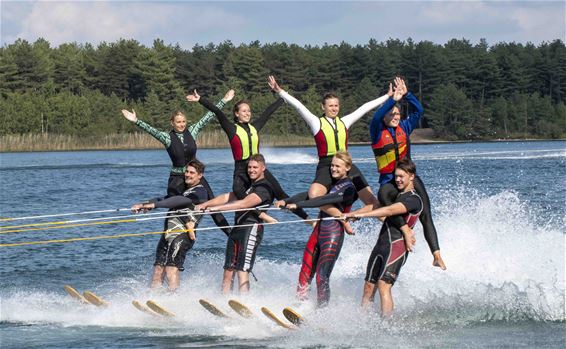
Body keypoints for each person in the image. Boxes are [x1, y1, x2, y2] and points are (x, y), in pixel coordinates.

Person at [122, 90, 234, 235]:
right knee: (174, 204)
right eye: (178, 122)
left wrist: (224, 100)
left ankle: (230, 234)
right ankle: (179, 224)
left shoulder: (193, 131)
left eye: (183, 122)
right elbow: (151, 130)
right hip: (177, 179)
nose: (181, 125)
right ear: (172, 123)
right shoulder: (167, 137)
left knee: (212, 203)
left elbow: (209, 115)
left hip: (195, 177)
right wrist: (136, 121)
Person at [186, 89, 308, 221]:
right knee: (239, 193)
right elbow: (217, 112)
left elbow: (268, 112)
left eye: (249, 111)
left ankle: (307, 219)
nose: (247, 113)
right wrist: (200, 100)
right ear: (237, 114)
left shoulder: (254, 127)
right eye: (243, 111)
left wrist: (283, 97)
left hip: (257, 168)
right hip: (241, 170)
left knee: (281, 193)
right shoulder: (231, 129)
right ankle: (262, 215)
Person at [267, 75, 389, 202]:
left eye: (336, 105)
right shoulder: (316, 122)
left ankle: (387, 220)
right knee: (314, 195)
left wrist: (388, 96)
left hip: (345, 163)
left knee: (370, 199)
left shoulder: (344, 122)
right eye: (330, 106)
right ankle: (336, 215)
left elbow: (364, 108)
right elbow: (299, 106)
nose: (334, 108)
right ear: (323, 107)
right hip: (326, 165)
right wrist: (280, 91)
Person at [343, 158, 438, 316]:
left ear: (411, 176)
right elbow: (377, 207)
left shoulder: (414, 199)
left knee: (383, 285)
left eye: (402, 176)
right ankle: (363, 323)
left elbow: (389, 211)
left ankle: (387, 326)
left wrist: (362, 215)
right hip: (381, 245)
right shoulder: (398, 195)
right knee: (368, 287)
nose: (398, 180)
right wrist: (353, 214)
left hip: (397, 247)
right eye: (396, 176)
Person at [370, 77, 445, 270]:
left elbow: (419, 110)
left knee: (426, 213)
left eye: (397, 114)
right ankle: (404, 229)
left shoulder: (405, 127)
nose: (395, 116)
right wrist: (392, 99)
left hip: (409, 178)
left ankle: (436, 254)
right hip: (389, 181)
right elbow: (377, 116)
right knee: (384, 195)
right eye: (391, 114)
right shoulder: (377, 130)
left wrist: (407, 95)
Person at [276, 151, 365, 307]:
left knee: (321, 276)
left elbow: (324, 199)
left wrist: (298, 205)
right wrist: (285, 201)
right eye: (332, 165)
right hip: (318, 232)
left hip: (333, 233)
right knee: (305, 271)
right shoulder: (332, 185)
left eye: (338, 166)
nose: (333, 169)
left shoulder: (349, 188)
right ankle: (300, 306)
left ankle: (322, 313)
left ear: (347, 167)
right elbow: (308, 195)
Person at [195, 154, 275, 294]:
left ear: (263, 168)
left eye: (255, 167)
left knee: (242, 269)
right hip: (237, 229)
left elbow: (244, 204)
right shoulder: (249, 186)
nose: (251, 170)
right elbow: (228, 197)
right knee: (228, 269)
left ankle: (244, 302)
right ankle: (224, 299)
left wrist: (217, 209)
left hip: (251, 229)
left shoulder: (265, 187)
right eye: (249, 167)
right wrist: (205, 204)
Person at [130, 159, 209, 292]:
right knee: (158, 269)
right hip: (168, 233)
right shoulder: (185, 190)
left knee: (171, 268)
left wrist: (154, 205)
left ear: (200, 176)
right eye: (187, 172)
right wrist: (145, 204)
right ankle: (154, 297)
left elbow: (178, 201)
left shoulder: (200, 191)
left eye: (192, 173)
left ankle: (174, 298)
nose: (187, 175)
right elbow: (166, 199)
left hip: (182, 235)